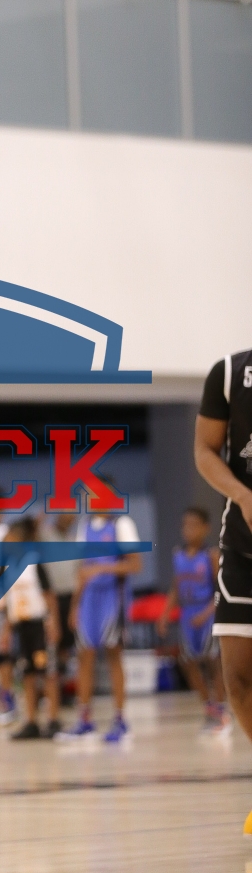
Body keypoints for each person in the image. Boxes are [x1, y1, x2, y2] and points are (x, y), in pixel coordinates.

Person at [194, 349, 252, 835]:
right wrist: (243, 493)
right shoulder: (231, 373)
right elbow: (204, 450)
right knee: (237, 677)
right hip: (242, 550)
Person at [57, 503, 142, 743]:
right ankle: (84, 720)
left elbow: (135, 564)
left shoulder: (121, 524)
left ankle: (120, 720)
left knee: (114, 654)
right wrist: (75, 605)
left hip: (113, 597)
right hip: (89, 600)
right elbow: (83, 570)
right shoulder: (85, 526)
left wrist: (102, 567)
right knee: (84, 656)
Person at [157, 507, 228, 733]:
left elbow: (220, 590)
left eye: (194, 525)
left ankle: (222, 709)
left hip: (207, 611)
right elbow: (175, 588)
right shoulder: (178, 554)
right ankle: (209, 707)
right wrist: (165, 614)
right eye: (185, 525)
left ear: (205, 528)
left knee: (214, 662)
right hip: (187, 613)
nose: (189, 530)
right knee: (188, 662)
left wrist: (207, 613)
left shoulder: (210, 555)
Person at [0, 520, 62, 740]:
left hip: (39, 625)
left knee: (48, 672)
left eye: (10, 539)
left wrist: (53, 623)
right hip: (21, 626)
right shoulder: (8, 568)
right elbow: (9, 602)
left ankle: (53, 719)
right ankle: (31, 721)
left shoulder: (34, 563)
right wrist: (6, 631)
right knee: (27, 674)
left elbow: (49, 596)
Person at [38, 511, 79, 704]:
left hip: (69, 597)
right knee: (50, 644)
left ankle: (61, 690)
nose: (68, 520)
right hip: (51, 596)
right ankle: (45, 691)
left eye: (72, 518)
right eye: (65, 515)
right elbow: (33, 529)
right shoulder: (46, 535)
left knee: (65, 647)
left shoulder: (73, 540)